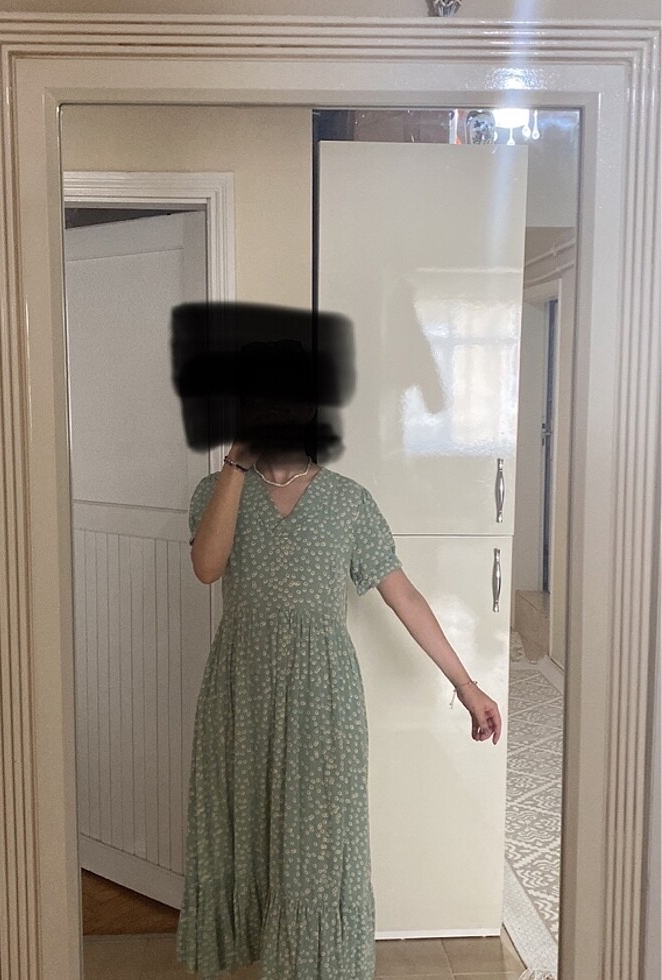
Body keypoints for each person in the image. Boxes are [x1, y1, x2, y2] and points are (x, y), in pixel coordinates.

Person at [175, 388, 502, 980]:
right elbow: (206, 568)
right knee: (244, 829)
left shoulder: (349, 502)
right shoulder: (216, 490)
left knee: (321, 845)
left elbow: (404, 596)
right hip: (239, 693)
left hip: (323, 698)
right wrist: (236, 461)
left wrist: (465, 683)